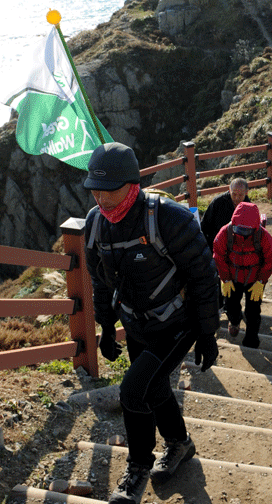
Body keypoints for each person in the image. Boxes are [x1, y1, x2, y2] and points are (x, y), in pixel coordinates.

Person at [84, 143, 220, 504]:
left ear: (131, 185)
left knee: (133, 391)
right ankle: (180, 443)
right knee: (155, 387)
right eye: (93, 189)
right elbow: (100, 280)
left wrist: (208, 334)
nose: (100, 197)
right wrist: (105, 326)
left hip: (176, 322)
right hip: (135, 322)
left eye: (108, 189)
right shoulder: (96, 224)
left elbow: (203, 276)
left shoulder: (168, 219)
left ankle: (138, 467)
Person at [213, 202, 272, 348]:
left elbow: (271, 259)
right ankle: (234, 321)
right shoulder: (225, 232)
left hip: (254, 280)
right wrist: (225, 279)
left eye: (246, 231)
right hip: (232, 278)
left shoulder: (263, 236)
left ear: (255, 227)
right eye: (239, 229)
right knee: (230, 306)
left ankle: (251, 340)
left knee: (253, 312)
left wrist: (261, 281)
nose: (242, 233)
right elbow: (218, 256)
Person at [201, 178, 250, 252]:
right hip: (217, 245)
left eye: (240, 195)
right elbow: (204, 226)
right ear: (229, 190)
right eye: (234, 194)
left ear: (246, 192)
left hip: (239, 248)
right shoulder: (217, 202)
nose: (237, 198)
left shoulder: (249, 205)